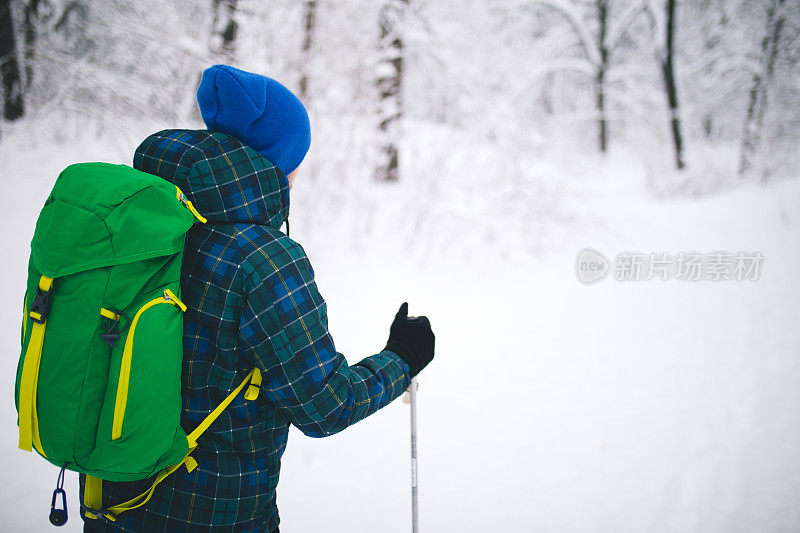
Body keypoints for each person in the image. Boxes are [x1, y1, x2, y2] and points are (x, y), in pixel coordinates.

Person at [80, 65, 435, 532]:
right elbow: (325, 405)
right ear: (279, 159)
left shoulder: (136, 222)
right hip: (214, 515)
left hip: (112, 500)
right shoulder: (263, 259)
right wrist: (402, 358)